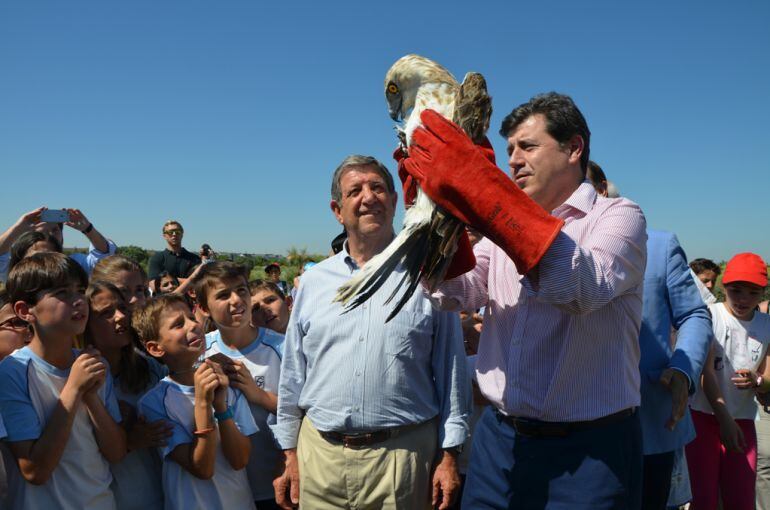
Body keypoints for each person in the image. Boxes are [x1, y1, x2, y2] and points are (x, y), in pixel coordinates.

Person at [400, 93, 648, 508]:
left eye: (528, 146)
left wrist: (485, 191)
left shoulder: (619, 216)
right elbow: (454, 291)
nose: (513, 159)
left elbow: (581, 288)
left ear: (574, 148)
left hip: (591, 451)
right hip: (499, 445)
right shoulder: (500, 232)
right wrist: (426, 212)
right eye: (510, 148)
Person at [272, 154, 471, 510]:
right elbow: (293, 374)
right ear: (337, 209)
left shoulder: (428, 277)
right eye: (355, 191)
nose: (368, 197)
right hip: (320, 459)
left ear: (394, 201)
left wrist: (450, 454)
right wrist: (290, 452)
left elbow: (452, 371)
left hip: (403, 459)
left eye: (378, 187)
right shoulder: (315, 283)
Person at [0, 252, 126, 509]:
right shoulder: (11, 372)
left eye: (80, 290)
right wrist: (74, 389)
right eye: (62, 293)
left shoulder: (93, 364)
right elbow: (35, 471)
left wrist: (91, 397)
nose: (78, 300)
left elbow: (116, 453)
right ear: (25, 310)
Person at [134, 294, 256, 509]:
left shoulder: (223, 381)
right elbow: (203, 469)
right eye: (178, 324)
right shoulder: (154, 402)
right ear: (155, 348)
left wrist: (221, 406)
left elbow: (240, 460)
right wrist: (202, 402)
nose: (194, 325)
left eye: (191, 317)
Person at [194, 262, 285, 508]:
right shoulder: (199, 352)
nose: (236, 300)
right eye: (223, 295)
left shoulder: (282, 348)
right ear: (203, 308)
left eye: (241, 290)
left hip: (277, 484)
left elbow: (306, 412)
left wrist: (257, 394)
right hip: (227, 492)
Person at [686, 252, 770, 510]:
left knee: (741, 497)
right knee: (704, 497)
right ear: (724, 287)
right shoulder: (709, 316)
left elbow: (767, 378)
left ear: (763, 293)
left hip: (743, 420)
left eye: (753, 292)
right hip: (704, 418)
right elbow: (705, 371)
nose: (744, 299)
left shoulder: (766, 324)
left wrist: (758, 381)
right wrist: (724, 419)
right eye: (736, 290)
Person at [83, 281, 170, 510]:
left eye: (122, 308)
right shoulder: (82, 380)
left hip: (167, 492)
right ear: (85, 324)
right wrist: (128, 440)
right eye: (106, 314)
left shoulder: (150, 368)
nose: (121, 317)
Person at [0, 207, 116, 282]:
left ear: (62, 233)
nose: (49, 235)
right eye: (41, 231)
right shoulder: (18, 267)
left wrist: (88, 228)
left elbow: (104, 257)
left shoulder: (74, 264)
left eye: (55, 230)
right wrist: (17, 228)